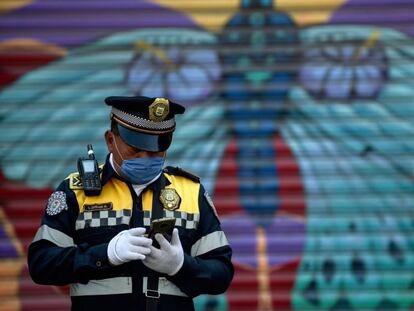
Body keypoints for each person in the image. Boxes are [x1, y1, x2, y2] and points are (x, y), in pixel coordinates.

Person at [28, 96, 234, 311]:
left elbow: (221, 273)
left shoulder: (191, 193)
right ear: (110, 140)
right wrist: (105, 254)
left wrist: (180, 266)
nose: (145, 157)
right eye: (135, 150)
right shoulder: (76, 191)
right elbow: (42, 264)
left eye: (155, 150)